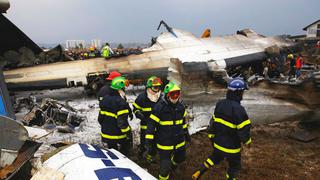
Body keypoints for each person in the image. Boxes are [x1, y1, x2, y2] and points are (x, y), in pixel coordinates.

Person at [192, 78, 252, 180]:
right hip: (232, 148)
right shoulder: (239, 109)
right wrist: (247, 142)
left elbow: (213, 122)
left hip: (218, 144)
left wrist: (211, 136)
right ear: (239, 93)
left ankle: (198, 172)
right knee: (234, 167)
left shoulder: (220, 104)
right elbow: (244, 130)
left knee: (214, 158)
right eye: (242, 92)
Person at [145, 82, 190, 180]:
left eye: (177, 94)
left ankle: (173, 166)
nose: (175, 97)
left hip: (179, 142)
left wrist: (186, 133)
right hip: (165, 143)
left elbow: (183, 122)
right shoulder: (159, 108)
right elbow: (151, 124)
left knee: (180, 158)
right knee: (165, 168)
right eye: (172, 94)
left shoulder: (181, 107)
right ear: (167, 95)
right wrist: (149, 139)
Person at [98, 76, 133, 156]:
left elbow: (100, 119)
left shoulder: (105, 99)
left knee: (112, 155)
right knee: (125, 154)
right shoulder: (120, 102)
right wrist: (128, 132)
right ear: (119, 89)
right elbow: (122, 123)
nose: (124, 90)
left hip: (107, 134)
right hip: (119, 135)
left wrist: (106, 127)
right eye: (123, 88)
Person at [133, 76, 163, 157]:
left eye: (158, 87)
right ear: (149, 87)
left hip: (159, 127)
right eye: (155, 87)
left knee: (157, 145)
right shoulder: (142, 97)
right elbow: (135, 108)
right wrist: (138, 113)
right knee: (145, 144)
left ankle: (153, 158)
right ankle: (141, 156)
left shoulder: (162, 98)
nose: (157, 89)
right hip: (146, 126)